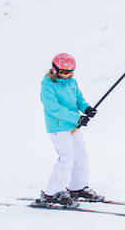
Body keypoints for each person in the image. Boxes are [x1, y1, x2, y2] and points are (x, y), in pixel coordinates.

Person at [36, 53, 102, 205]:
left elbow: (79, 99)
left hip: (73, 126)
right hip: (58, 126)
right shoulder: (48, 85)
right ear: (55, 70)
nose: (68, 75)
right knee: (66, 158)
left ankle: (77, 188)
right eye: (65, 72)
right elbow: (53, 108)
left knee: (81, 156)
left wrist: (86, 109)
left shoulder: (72, 82)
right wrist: (77, 118)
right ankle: (51, 193)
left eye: (71, 72)